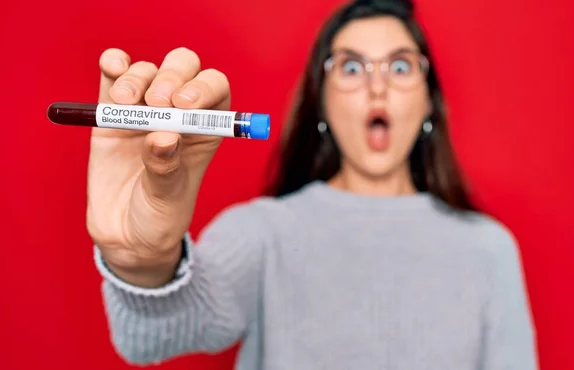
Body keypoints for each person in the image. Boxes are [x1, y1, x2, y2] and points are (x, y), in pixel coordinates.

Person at [87, 0, 538, 368]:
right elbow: (146, 340)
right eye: (351, 68)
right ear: (320, 101)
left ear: (428, 103)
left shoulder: (488, 249)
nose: (377, 87)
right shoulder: (263, 233)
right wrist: (142, 264)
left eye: (400, 68)